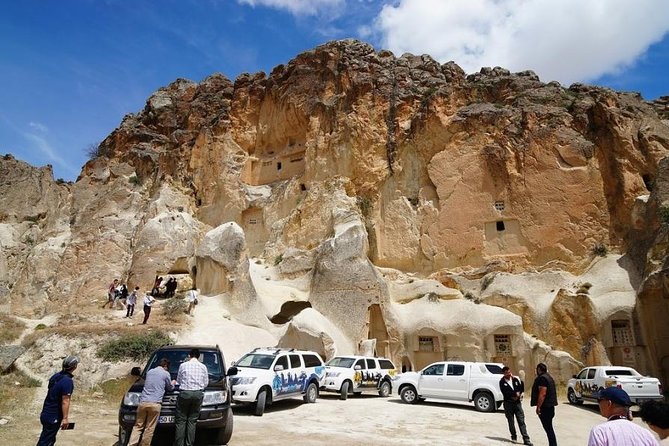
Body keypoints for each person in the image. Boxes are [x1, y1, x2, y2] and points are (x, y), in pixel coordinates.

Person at [588, 387, 659, 445]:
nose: (598, 403)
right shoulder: (646, 434)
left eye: (599, 400)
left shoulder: (600, 432)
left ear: (609, 404)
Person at [128, 358, 174, 446]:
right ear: (166, 366)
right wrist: (173, 382)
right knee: (149, 428)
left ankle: (131, 444)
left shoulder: (149, 372)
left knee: (138, 426)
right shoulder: (165, 373)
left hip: (143, 402)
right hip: (155, 403)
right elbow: (170, 388)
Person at [36, 356, 78, 446]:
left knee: (50, 439)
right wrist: (65, 418)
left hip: (46, 413)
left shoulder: (56, 376)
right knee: (45, 442)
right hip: (53, 416)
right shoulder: (67, 381)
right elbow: (65, 401)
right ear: (74, 367)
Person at [174, 348, 209, 446]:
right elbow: (206, 383)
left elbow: (179, 380)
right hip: (198, 394)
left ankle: (179, 444)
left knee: (181, 420)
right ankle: (189, 443)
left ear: (189, 355)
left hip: (185, 393)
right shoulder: (203, 367)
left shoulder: (183, 365)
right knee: (192, 421)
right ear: (198, 356)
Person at [499, 366, 532, 445]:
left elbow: (520, 388)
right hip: (508, 404)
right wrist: (514, 395)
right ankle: (514, 436)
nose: (509, 374)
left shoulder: (515, 380)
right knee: (511, 421)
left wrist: (519, 394)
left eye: (509, 372)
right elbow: (505, 392)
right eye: (507, 373)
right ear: (504, 373)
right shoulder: (502, 382)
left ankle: (526, 439)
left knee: (521, 421)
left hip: (517, 404)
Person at [530, 362, 558, 446]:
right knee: (549, 428)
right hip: (551, 407)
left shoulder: (542, 378)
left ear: (539, 370)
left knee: (549, 429)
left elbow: (542, 393)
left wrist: (538, 407)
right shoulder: (549, 377)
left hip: (545, 408)